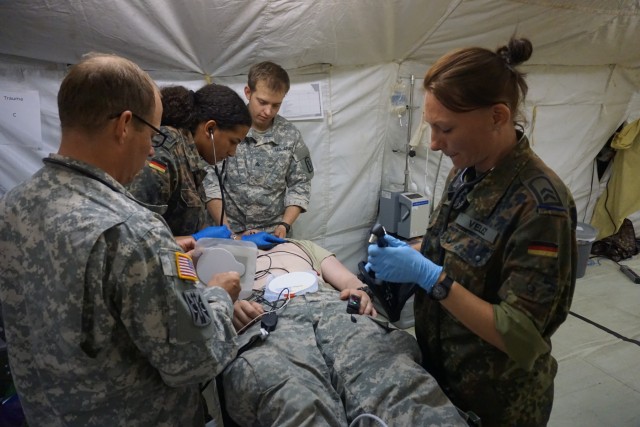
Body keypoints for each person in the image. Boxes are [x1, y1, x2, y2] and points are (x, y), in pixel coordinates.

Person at [0, 53, 241, 426]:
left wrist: (161, 271)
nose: (150, 150)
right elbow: (195, 361)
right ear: (125, 125)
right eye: (152, 134)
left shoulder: (13, 205)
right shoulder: (133, 232)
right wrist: (217, 296)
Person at [367, 37, 577, 426]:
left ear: (497, 116)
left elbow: (522, 337)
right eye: (430, 127)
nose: (433, 143)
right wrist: (409, 255)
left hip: (497, 403)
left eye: (445, 128)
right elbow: (453, 249)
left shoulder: (541, 206)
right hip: (444, 379)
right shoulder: (466, 172)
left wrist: (431, 277)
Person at [220, 239, 466, 426]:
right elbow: (207, 308)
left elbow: (349, 281)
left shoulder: (301, 245)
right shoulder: (217, 256)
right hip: (264, 318)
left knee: (393, 380)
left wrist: (360, 291)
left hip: (332, 307)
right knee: (294, 400)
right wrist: (229, 308)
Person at [127, 83, 284, 250]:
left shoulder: (189, 158)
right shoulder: (164, 155)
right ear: (210, 128)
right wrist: (193, 239)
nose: (232, 153)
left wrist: (239, 240)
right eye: (233, 142)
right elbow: (133, 239)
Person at [205, 61, 314, 238]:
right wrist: (227, 231)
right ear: (248, 92)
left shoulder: (290, 135)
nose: (268, 111)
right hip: (226, 230)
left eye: (276, 105)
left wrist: (285, 225)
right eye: (262, 102)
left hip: (271, 234)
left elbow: (300, 184)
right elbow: (209, 181)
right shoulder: (226, 128)